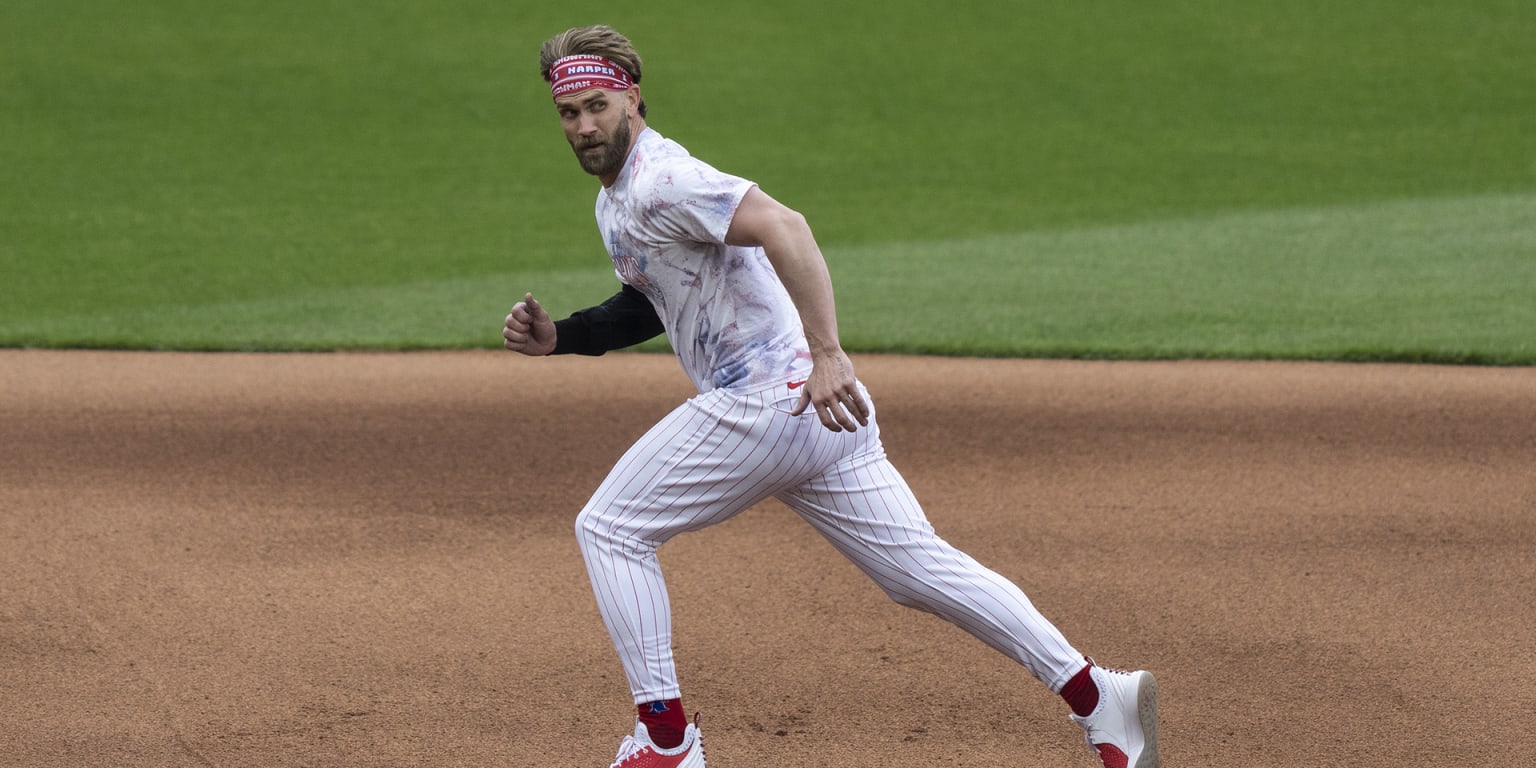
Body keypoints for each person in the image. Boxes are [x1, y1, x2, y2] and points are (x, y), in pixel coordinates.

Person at [503, 24, 1160, 768]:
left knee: (611, 528)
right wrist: (561, 335)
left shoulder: (663, 179)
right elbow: (654, 300)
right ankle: (1101, 697)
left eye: (597, 105)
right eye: (569, 114)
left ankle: (666, 742)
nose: (584, 126)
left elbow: (788, 227)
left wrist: (828, 355)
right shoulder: (618, 200)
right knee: (920, 572)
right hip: (820, 418)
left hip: (773, 401)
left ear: (632, 95)